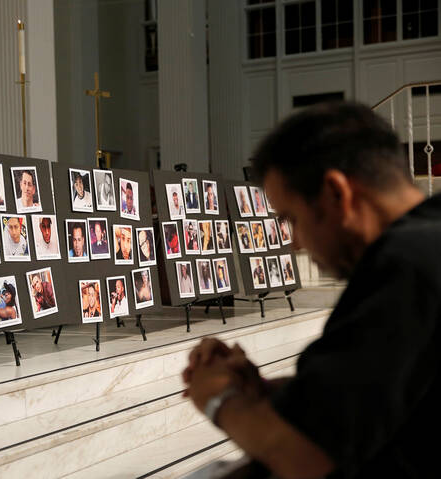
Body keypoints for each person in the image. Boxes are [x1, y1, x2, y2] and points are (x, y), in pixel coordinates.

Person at [182, 102, 440, 479]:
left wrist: (218, 398)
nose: (295, 243)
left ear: (337, 193)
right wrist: (265, 389)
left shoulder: (405, 265)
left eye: (292, 219)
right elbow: (378, 393)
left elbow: (306, 458)